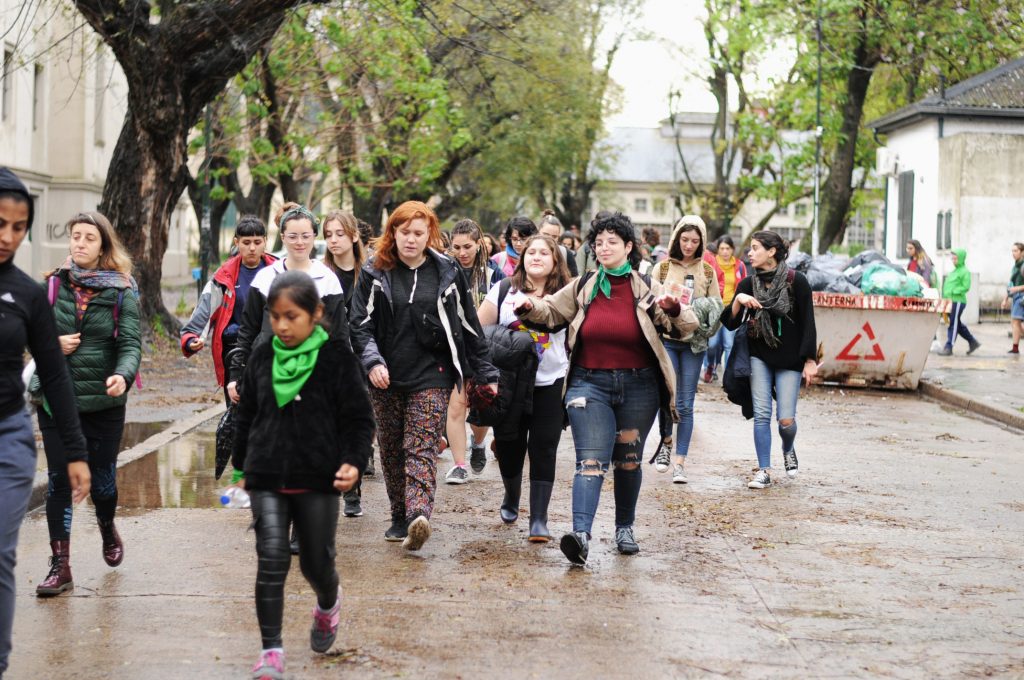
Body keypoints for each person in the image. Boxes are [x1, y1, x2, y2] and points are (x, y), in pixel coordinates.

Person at [514, 212, 697, 565]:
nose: (604, 248)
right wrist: (529, 306)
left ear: (629, 247)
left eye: (612, 242)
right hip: (588, 384)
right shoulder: (584, 286)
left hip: (639, 387)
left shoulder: (646, 287)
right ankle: (580, 536)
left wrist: (673, 310)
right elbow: (549, 311)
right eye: (598, 242)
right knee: (590, 461)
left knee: (628, 462)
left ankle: (624, 527)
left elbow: (686, 327)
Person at [232, 271, 375, 680]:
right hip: (267, 474)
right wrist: (242, 466)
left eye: (291, 316)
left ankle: (328, 602)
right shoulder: (262, 355)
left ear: (316, 314)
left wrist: (353, 460)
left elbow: (358, 419)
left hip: (318, 477)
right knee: (272, 558)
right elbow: (247, 415)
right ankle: (271, 651)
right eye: (275, 317)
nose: (281, 325)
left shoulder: (336, 359)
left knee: (316, 563)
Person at [349, 201, 498, 550]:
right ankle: (399, 516)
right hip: (385, 375)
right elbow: (359, 325)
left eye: (419, 233)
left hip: (433, 373)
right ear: (393, 233)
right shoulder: (375, 271)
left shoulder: (446, 271)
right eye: (405, 233)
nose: (411, 240)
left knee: (420, 444)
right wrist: (372, 362)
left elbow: (469, 325)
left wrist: (486, 371)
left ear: (430, 234)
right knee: (391, 448)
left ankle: (419, 515)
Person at [0, 168, 89, 677]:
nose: (9, 236)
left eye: (19, 226)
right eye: (0, 224)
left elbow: (55, 378)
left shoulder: (28, 294)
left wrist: (75, 453)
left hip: (7, 436)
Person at [33, 211, 142, 596]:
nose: (79, 243)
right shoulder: (50, 286)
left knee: (104, 483)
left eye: (88, 238)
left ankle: (106, 526)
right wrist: (49, 345)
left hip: (104, 402)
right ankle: (60, 566)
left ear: (103, 246)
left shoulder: (122, 290)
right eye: (75, 236)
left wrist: (122, 376)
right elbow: (29, 334)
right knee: (59, 481)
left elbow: (130, 344)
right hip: (56, 400)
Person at [478, 234, 570, 541]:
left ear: (556, 260)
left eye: (545, 252)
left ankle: (539, 519)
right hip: (510, 383)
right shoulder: (504, 289)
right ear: (522, 258)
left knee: (544, 447)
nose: (537, 257)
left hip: (551, 382)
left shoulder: (566, 295)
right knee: (509, 444)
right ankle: (511, 495)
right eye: (531, 252)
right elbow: (480, 331)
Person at [720, 230, 817, 490]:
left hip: (790, 357)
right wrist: (739, 301)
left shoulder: (797, 281)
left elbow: (808, 322)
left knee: (786, 420)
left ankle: (788, 448)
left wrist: (810, 360)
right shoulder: (747, 284)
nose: (749, 253)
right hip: (758, 354)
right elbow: (728, 322)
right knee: (762, 415)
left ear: (771, 251)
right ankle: (763, 470)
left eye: (755, 248)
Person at [227, 203, 346, 403]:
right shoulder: (265, 278)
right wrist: (235, 376)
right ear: (282, 237)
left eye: (305, 236)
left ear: (314, 236)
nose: (299, 242)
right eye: (292, 236)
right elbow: (248, 331)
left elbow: (339, 334)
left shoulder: (328, 279)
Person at [649, 216, 722, 483]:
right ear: (676, 238)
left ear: (701, 242)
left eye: (695, 240)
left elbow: (716, 309)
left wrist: (702, 319)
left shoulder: (708, 271)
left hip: (693, 345)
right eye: (685, 239)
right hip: (667, 340)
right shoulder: (663, 269)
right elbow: (649, 302)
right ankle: (666, 445)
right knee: (667, 397)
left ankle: (680, 461)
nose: (689, 245)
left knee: (686, 404)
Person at [180, 215, 275, 405]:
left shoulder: (278, 271)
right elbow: (205, 307)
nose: (252, 248)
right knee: (238, 416)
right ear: (236, 242)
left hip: (272, 350)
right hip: (235, 351)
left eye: (257, 242)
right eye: (246, 242)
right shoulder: (225, 276)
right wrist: (191, 338)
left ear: (265, 241)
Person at [321, 209, 375, 515]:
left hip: (366, 357)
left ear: (354, 235)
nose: (333, 240)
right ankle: (347, 490)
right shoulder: (320, 274)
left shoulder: (370, 273)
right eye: (328, 235)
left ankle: (353, 488)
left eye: (340, 234)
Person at [444, 219, 504, 482]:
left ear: (479, 245)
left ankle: (478, 444)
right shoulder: (444, 272)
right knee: (456, 408)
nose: (462, 252)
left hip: (483, 351)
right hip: (454, 351)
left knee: (480, 411)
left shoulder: (494, 276)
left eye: (467, 246)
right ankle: (459, 464)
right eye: (456, 247)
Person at [704, 235, 748, 383]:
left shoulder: (739, 265)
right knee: (712, 345)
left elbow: (743, 286)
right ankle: (710, 366)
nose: (724, 251)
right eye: (721, 248)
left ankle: (727, 377)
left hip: (732, 309)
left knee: (729, 345)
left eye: (727, 248)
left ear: (732, 250)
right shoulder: (711, 264)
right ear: (717, 250)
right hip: (714, 309)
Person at [938, 248, 980, 356]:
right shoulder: (954, 271)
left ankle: (949, 347)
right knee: (957, 324)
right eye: (952, 258)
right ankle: (972, 342)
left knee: (953, 323)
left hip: (957, 301)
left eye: (955, 258)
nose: (953, 260)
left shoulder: (965, 271)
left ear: (961, 258)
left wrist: (953, 292)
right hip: (949, 301)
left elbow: (966, 287)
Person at [537, 209, 579, 276]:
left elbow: (574, 281)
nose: (549, 239)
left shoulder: (565, 254)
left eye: (554, 236)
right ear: (538, 232)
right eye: (545, 234)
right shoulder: (529, 252)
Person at [1001, 242, 1024, 354]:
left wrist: (1017, 289)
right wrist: (1005, 299)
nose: (1013, 253)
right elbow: (1011, 284)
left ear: (1022, 252)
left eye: (1016, 251)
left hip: (1021, 297)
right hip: (1016, 297)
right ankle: (1015, 348)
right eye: (1012, 251)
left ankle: (1015, 348)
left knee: (1015, 322)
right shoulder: (1015, 266)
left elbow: (1015, 287)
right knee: (1016, 322)